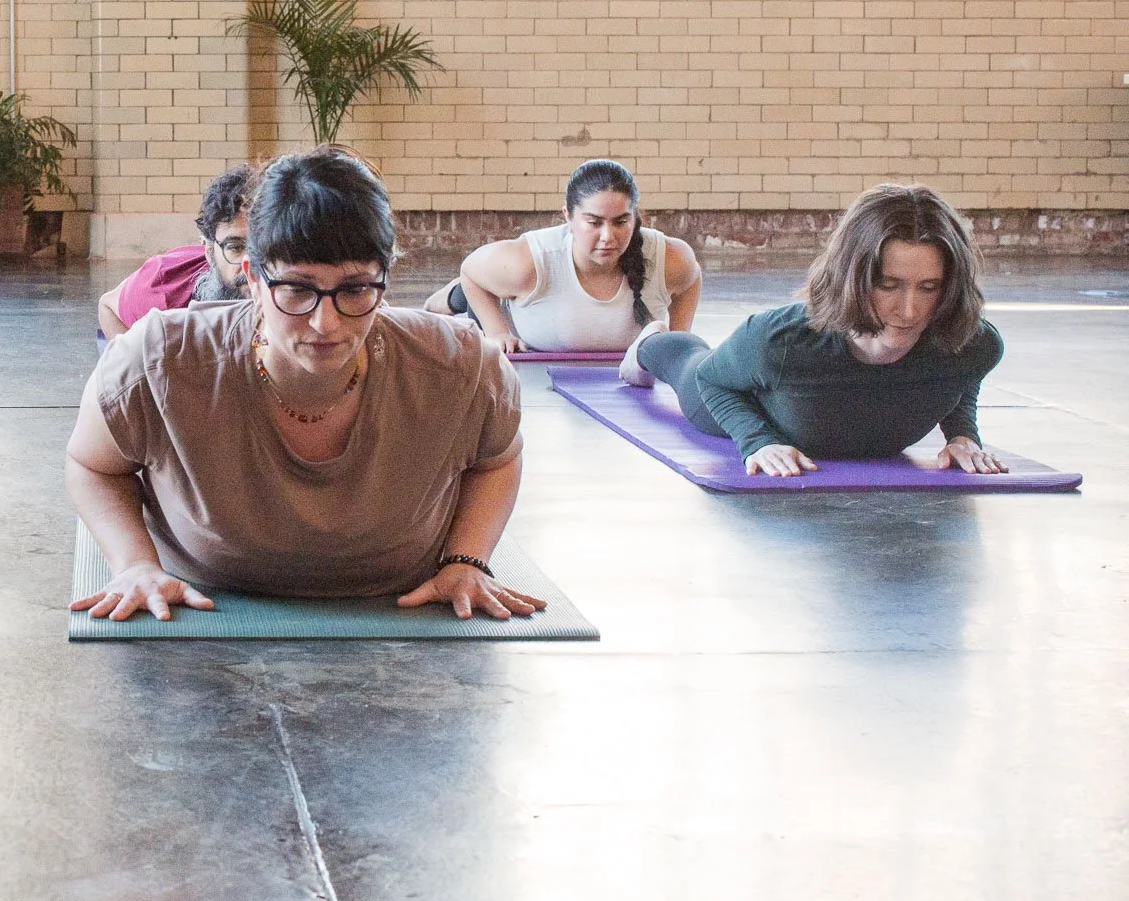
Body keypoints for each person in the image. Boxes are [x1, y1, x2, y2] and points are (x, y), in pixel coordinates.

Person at [66, 147, 546, 622]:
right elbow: (93, 464)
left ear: (386, 279)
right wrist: (134, 564)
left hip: (395, 605)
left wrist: (467, 560)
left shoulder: (460, 368)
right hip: (209, 603)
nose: (325, 323)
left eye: (356, 289)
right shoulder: (159, 361)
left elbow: (498, 458)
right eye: (296, 289)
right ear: (253, 279)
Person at [617, 183, 1007, 478]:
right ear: (854, 277)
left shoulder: (975, 345)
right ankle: (651, 341)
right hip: (755, 404)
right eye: (888, 285)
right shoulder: (781, 342)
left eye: (929, 287)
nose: (909, 310)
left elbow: (961, 376)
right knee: (690, 362)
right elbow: (709, 379)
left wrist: (962, 433)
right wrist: (757, 440)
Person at [425, 159, 701, 353]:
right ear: (568, 216)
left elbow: (692, 278)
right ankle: (450, 296)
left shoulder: (669, 259)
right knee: (470, 290)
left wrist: (677, 338)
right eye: (593, 222)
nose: (608, 237)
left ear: (636, 217)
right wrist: (497, 332)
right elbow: (471, 270)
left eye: (620, 222)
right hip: (507, 296)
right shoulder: (529, 262)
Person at [98, 163, 255, 340]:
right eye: (236, 247)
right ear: (209, 252)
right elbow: (108, 307)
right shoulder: (163, 295)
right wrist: (139, 361)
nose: (252, 263)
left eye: (263, 246)